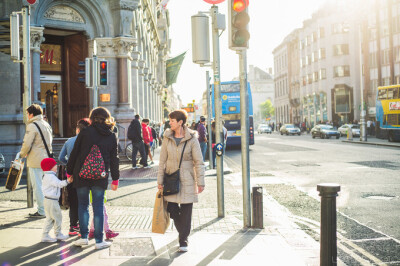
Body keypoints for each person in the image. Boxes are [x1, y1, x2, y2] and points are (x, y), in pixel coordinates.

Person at [67, 107, 119, 250]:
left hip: (81, 175)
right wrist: (115, 178)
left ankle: (83, 238)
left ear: (91, 118)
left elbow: (74, 153)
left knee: (83, 206)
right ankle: (99, 241)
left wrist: (69, 172)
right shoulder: (111, 135)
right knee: (98, 207)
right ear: (106, 118)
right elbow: (114, 159)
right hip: (100, 177)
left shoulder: (84, 133)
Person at [157, 109, 205, 252]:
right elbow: (162, 161)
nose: (169, 123)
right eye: (170, 120)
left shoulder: (192, 139)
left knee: (186, 212)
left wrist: (201, 182)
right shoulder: (167, 137)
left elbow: (199, 162)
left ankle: (183, 240)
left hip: (188, 180)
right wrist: (160, 180)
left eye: (172, 121)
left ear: (180, 122)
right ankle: (183, 232)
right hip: (171, 179)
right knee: (171, 208)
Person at [20, 104, 53, 218]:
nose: (27, 116)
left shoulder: (32, 126)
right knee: (46, 186)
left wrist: (22, 154)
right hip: (47, 159)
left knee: (38, 186)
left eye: (27, 114)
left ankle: (41, 210)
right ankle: (49, 209)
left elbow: (27, 144)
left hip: (36, 160)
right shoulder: (46, 124)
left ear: (32, 114)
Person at [59, 118, 91, 236]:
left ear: (77, 129)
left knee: (73, 201)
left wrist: (68, 163)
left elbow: (61, 158)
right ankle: (83, 228)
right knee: (83, 202)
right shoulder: (89, 141)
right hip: (85, 174)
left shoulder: (69, 141)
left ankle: (73, 226)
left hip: (71, 174)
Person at [40, 158, 73, 242]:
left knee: (50, 218)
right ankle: (58, 234)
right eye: (55, 165)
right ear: (50, 167)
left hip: (47, 200)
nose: (57, 167)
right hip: (52, 201)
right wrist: (68, 181)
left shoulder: (46, 175)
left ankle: (45, 235)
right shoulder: (51, 177)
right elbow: (59, 184)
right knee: (57, 217)